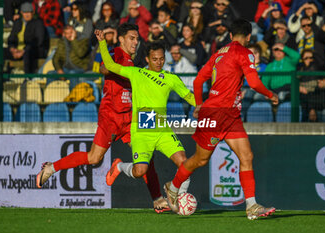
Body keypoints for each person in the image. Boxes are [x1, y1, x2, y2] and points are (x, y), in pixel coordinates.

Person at [37, 23, 170, 213]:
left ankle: (157, 199)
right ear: (121, 39)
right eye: (132, 38)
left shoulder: (133, 61)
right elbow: (104, 69)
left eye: (137, 38)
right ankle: (51, 168)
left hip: (129, 117)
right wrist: (117, 67)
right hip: (111, 116)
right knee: (93, 159)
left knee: (147, 157)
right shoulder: (116, 53)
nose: (135, 42)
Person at [163, 19, 278, 220]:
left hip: (230, 115)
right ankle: (173, 187)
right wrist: (270, 95)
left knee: (246, 156)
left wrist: (198, 104)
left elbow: (199, 80)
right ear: (249, 37)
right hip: (216, 114)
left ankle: (251, 206)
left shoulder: (219, 54)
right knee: (200, 159)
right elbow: (253, 82)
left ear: (231, 35)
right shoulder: (245, 53)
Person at [95, 30, 196, 200]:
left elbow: (190, 97)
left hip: (162, 130)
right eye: (155, 59)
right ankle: (119, 167)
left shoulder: (171, 78)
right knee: (139, 171)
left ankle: (178, 196)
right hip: (142, 131)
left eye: (162, 59)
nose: (159, 62)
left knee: (185, 163)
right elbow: (111, 66)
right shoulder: (137, 73)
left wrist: (208, 107)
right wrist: (102, 43)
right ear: (148, 59)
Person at [5, 2, 49, 73]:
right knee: (1, 51)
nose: (27, 15)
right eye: (25, 12)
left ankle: (28, 76)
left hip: (35, 50)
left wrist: (23, 51)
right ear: (22, 13)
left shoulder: (38, 23)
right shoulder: (17, 23)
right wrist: (12, 48)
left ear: (33, 12)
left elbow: (38, 41)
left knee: (28, 52)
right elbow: (11, 38)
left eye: (29, 12)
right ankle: (2, 75)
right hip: (18, 50)